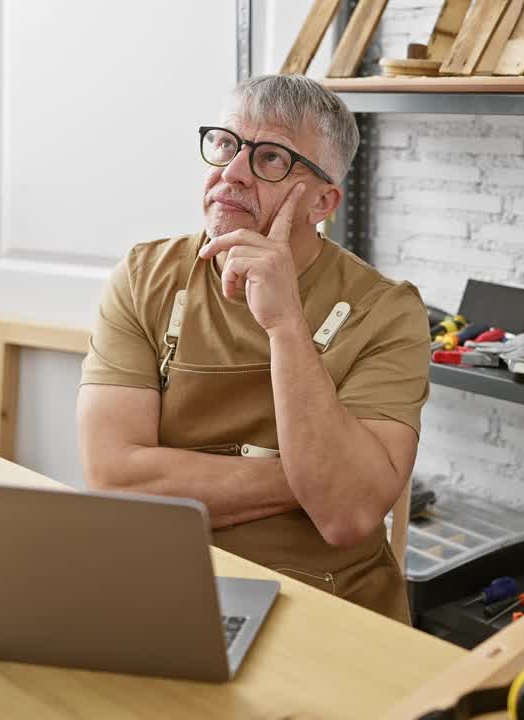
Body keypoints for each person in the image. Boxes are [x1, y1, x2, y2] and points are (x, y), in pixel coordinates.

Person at [76, 74, 430, 623]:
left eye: (270, 159)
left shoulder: (386, 312)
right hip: (167, 580)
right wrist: (310, 478)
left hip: (329, 602)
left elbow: (344, 517)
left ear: (323, 201)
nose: (231, 172)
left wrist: (286, 323)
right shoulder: (145, 276)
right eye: (224, 144)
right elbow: (113, 475)